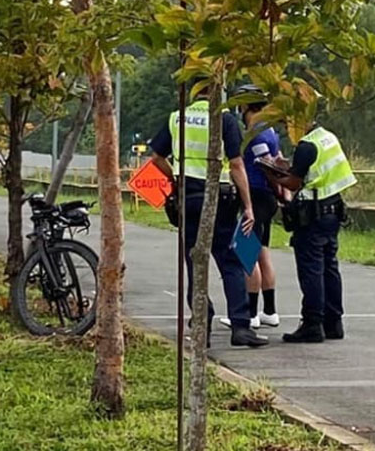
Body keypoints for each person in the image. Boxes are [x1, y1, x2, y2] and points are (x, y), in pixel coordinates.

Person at [149, 82, 268, 348]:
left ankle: (202, 326)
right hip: (219, 199)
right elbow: (236, 164)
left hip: (188, 199)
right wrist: (247, 206)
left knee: (195, 263)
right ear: (218, 91)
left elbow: (156, 157)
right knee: (231, 264)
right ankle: (240, 327)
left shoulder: (176, 118)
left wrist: (177, 179)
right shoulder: (223, 119)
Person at [264, 119, 357, 343]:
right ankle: (333, 322)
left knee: (312, 269)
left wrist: (269, 173)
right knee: (329, 267)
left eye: (289, 125)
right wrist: (287, 165)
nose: (288, 130)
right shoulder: (326, 137)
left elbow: (294, 183)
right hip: (333, 210)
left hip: (312, 215)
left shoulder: (307, 145)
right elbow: (309, 170)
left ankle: (312, 323)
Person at [219, 85, 281, 330]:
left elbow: (264, 161)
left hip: (254, 197)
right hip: (266, 197)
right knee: (262, 252)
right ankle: (269, 310)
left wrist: (247, 205)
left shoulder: (255, 133)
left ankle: (250, 313)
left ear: (245, 105)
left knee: (246, 254)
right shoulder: (270, 130)